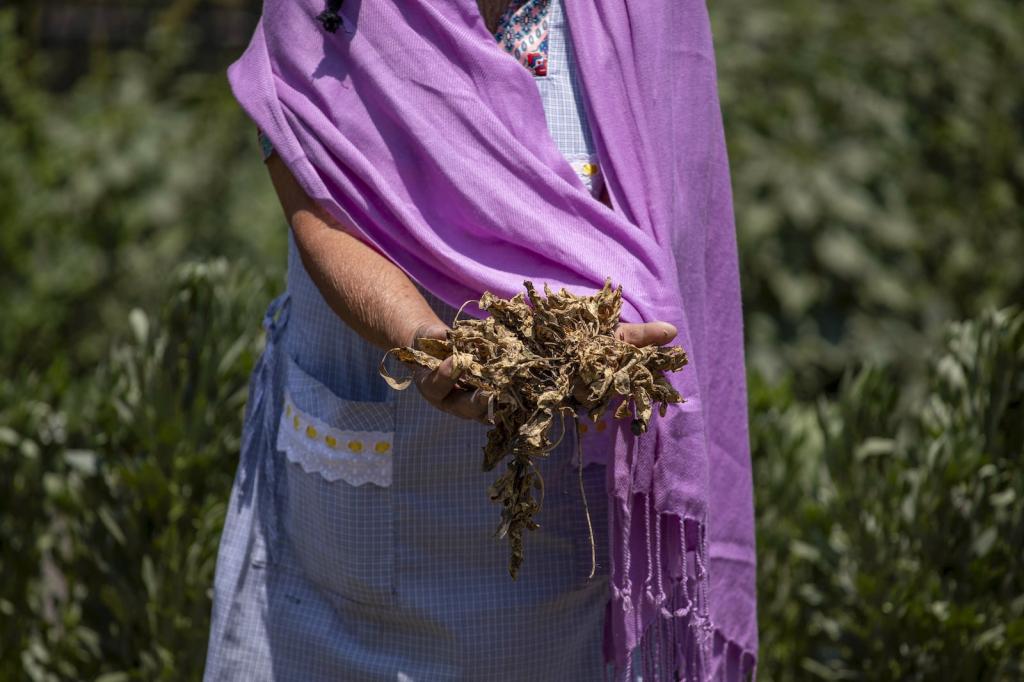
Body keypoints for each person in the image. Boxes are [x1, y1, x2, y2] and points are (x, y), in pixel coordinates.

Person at [203, 0, 682, 679]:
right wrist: (422, 337)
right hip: (343, 571)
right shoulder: (328, 13)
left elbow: (655, 224)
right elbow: (321, 219)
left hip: (554, 559)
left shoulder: (629, 18)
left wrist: (607, 344)